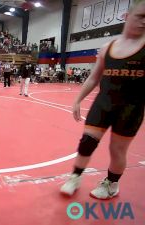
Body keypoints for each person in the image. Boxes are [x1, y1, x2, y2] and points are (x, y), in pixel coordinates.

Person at [60, 0, 145, 200]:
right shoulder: (108, 47)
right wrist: (78, 99)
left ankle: (112, 184)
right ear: (126, 16)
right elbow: (94, 77)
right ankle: (75, 176)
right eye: (140, 16)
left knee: (117, 150)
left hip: (131, 108)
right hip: (104, 102)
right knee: (87, 141)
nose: (144, 22)